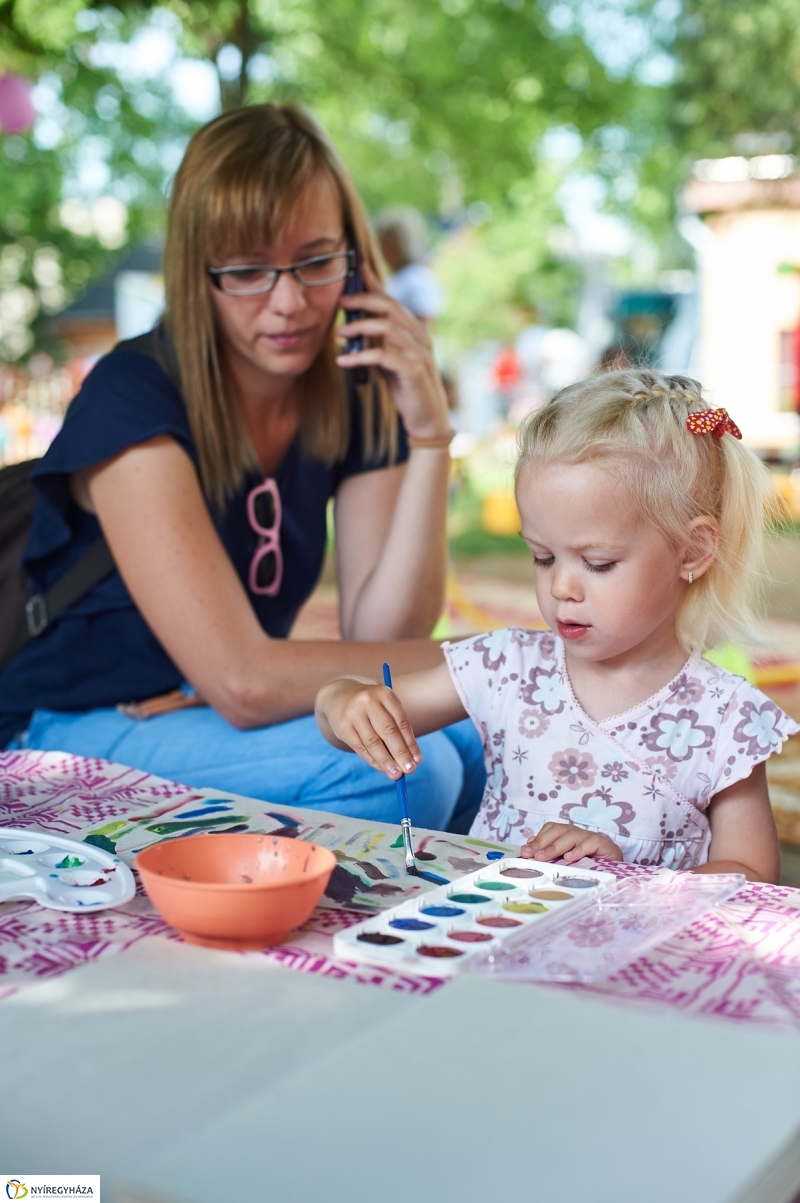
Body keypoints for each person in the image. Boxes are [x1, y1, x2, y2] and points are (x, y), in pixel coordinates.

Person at [0, 104, 484, 831]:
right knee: (406, 768)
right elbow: (247, 680)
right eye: (248, 271)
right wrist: (506, 660)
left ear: (353, 257)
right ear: (197, 273)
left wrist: (428, 437)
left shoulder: (354, 382)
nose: (289, 303)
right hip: (66, 724)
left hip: (203, 708)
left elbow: (380, 628)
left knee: (480, 738)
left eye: (317, 261)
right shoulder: (132, 394)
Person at [316, 370, 797, 880]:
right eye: (542, 557)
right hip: (491, 940)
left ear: (693, 551)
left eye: (598, 562)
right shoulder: (506, 668)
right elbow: (362, 722)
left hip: (635, 955)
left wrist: (625, 875)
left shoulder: (724, 717)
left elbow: (752, 875)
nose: (562, 587)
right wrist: (341, 701)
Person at [375, 208, 444, 323]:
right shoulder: (398, 277)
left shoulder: (417, 278)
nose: (380, 248)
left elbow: (423, 327)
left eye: (384, 242)